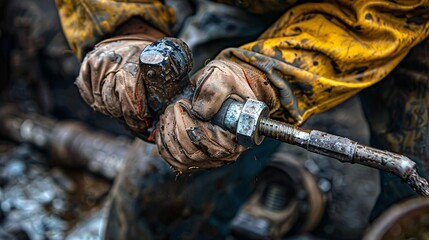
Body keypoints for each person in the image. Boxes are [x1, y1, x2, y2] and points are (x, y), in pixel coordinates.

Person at [55, 0, 429, 238]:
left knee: (414, 216)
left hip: (399, 12)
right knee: (155, 199)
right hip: (249, 3)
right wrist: (127, 28)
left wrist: (265, 77)